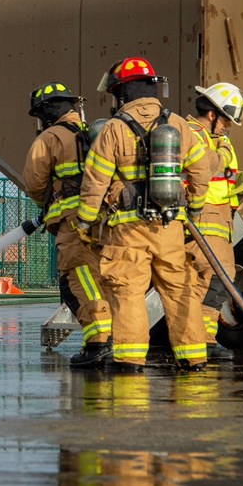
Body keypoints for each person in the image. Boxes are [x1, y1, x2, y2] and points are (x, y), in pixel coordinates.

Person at [76, 56, 212, 371]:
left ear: (121, 93)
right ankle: (193, 357)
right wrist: (193, 208)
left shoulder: (112, 129)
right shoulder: (177, 123)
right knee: (179, 288)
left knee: (127, 291)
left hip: (127, 229)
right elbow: (202, 171)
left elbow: (95, 182)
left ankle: (130, 360)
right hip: (170, 225)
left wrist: (85, 223)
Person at [21, 81, 112, 367]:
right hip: (103, 220)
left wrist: (49, 206)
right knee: (101, 278)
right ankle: (110, 339)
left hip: (71, 225)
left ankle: (98, 343)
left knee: (78, 281)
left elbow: (34, 183)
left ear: (47, 111)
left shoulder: (50, 138)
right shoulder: (94, 134)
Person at [184, 82, 243, 361]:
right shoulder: (192, 134)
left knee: (206, 281)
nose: (228, 128)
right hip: (203, 217)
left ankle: (200, 340)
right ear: (212, 115)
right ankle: (204, 340)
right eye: (226, 120)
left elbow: (223, 179)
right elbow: (207, 166)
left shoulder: (215, 138)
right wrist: (222, 151)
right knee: (216, 278)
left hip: (219, 218)